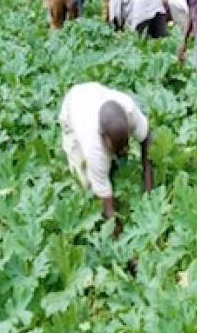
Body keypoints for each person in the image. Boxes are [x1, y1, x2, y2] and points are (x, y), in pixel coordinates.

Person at [59, 82, 153, 233]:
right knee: (85, 183)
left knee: (116, 159)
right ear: (102, 137)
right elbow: (105, 203)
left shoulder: (128, 109)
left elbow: (147, 139)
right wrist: (119, 237)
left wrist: (150, 193)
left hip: (94, 91)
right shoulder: (92, 146)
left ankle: (114, 157)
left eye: (126, 142)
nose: (125, 149)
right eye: (116, 146)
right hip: (73, 106)